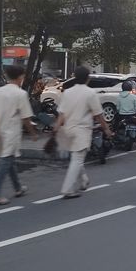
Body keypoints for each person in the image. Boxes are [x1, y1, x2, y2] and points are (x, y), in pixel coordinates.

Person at [53, 66, 113, 200]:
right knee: (77, 159)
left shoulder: (67, 92)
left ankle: (84, 180)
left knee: (76, 157)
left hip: (68, 129)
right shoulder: (90, 93)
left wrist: (56, 127)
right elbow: (98, 115)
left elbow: (61, 113)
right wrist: (107, 129)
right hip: (81, 130)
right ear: (88, 78)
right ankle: (67, 189)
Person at [0, 65, 37, 206]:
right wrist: (33, 133)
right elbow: (26, 118)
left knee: (9, 160)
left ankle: (18, 187)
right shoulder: (20, 94)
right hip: (11, 132)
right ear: (20, 77)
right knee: (6, 161)